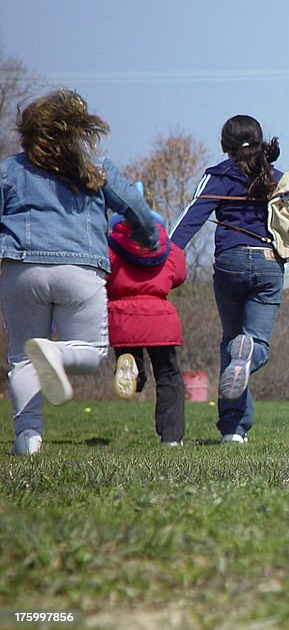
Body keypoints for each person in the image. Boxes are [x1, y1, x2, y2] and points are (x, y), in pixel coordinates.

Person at [1, 89, 158, 455]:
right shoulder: (96, 168)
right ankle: (56, 354)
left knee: (22, 358)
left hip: (22, 268)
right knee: (90, 353)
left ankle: (28, 438)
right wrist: (147, 239)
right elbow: (134, 206)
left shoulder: (10, 170)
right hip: (80, 269)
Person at [171, 115, 289, 444]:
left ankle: (233, 430)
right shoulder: (280, 180)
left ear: (225, 145)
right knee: (253, 345)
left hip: (230, 264)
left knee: (232, 342)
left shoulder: (217, 177)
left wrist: (162, 259)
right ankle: (247, 362)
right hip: (268, 265)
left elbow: (186, 225)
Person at [107, 184, 188, 446]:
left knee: (130, 360)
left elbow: (102, 275)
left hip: (121, 316)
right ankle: (171, 438)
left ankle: (133, 372)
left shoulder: (110, 244)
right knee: (168, 376)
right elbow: (179, 277)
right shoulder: (169, 246)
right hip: (158, 316)